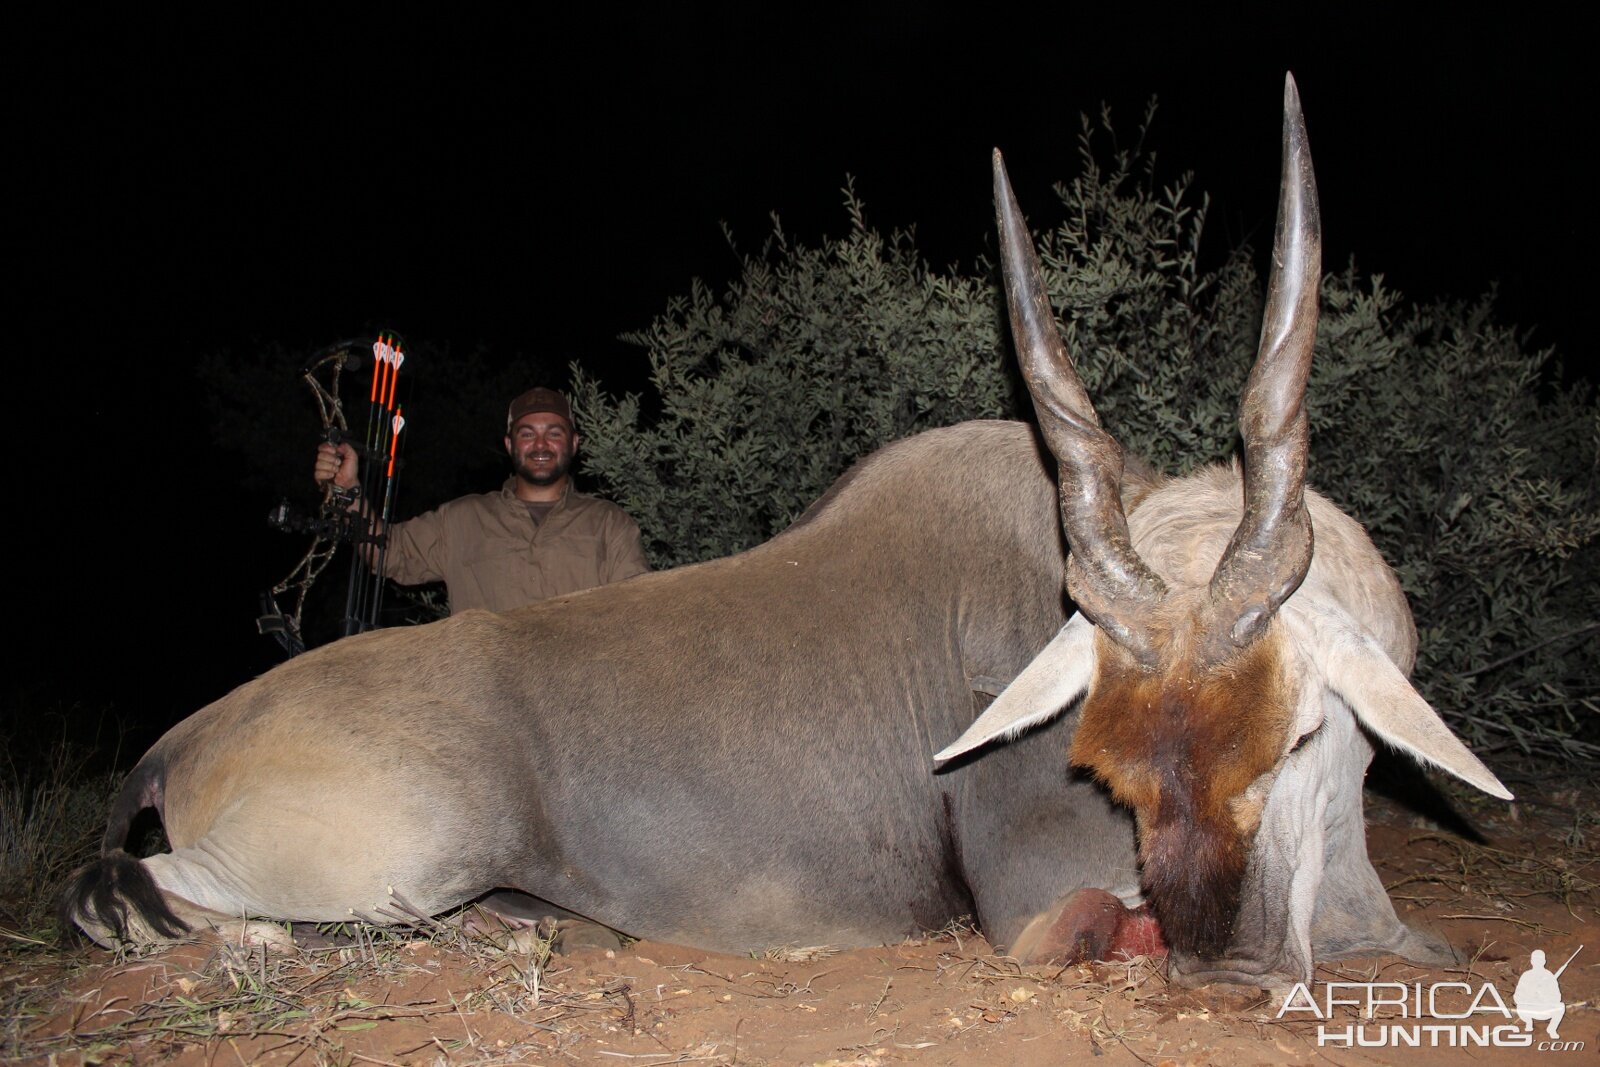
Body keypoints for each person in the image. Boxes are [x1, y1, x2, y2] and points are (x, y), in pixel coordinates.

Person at [314, 387, 649, 613]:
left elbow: (637, 611)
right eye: (527, 434)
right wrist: (348, 490)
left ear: (574, 443)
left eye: (554, 433)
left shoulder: (609, 523)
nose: (541, 445)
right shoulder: (462, 518)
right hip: (486, 712)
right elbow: (388, 553)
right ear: (509, 444)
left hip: (579, 707)